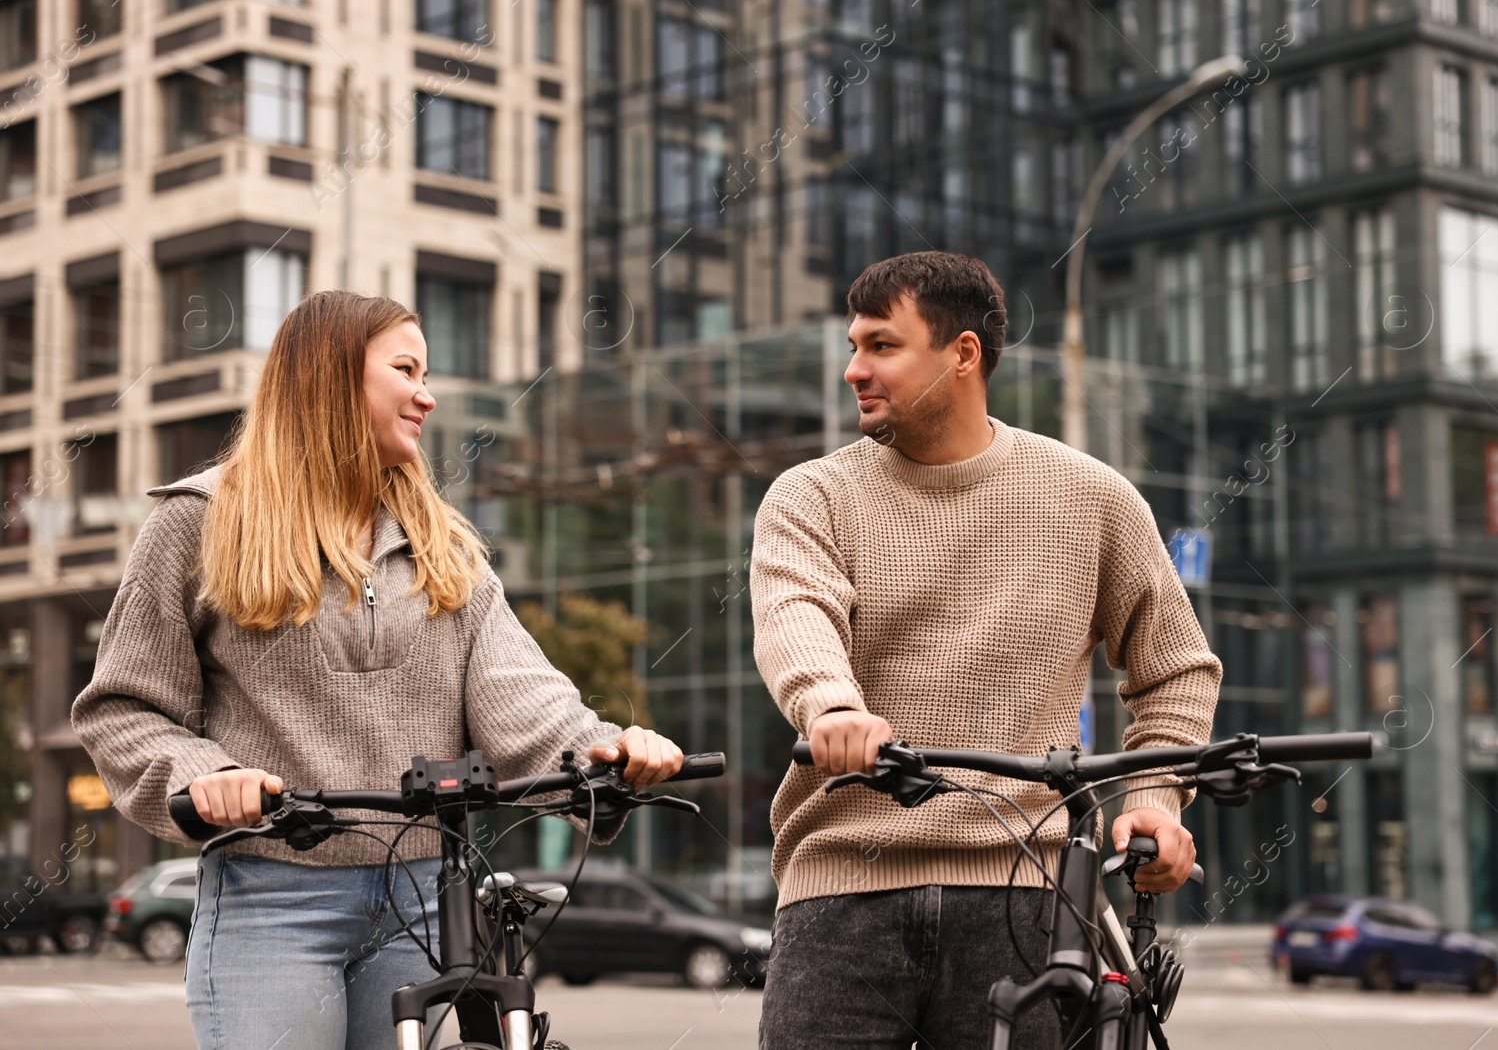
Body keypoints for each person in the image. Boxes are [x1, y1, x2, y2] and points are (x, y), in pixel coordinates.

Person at [72, 290, 683, 1050]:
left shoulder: (442, 543)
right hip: (273, 900)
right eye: (406, 369)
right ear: (331, 379)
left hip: (425, 901)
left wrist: (600, 752)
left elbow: (523, 698)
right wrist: (204, 773)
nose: (427, 394)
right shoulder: (198, 521)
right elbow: (123, 707)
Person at [750, 252, 1221, 1048]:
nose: (852, 370)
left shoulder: (1094, 498)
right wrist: (831, 705)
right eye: (853, 345)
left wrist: (1151, 797)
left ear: (963, 354)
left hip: (1025, 901)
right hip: (841, 895)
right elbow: (796, 615)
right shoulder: (812, 495)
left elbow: (1174, 669)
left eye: (881, 346)